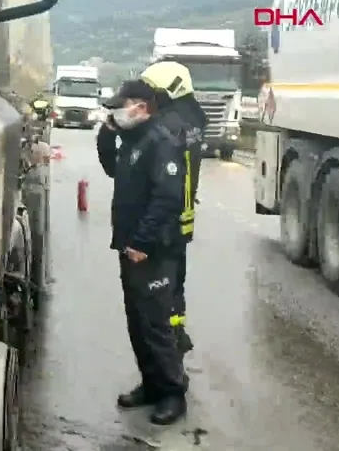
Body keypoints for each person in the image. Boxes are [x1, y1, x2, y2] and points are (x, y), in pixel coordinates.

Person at [96, 80, 188, 425]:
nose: (118, 112)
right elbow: (111, 168)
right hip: (130, 246)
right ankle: (151, 384)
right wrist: (107, 133)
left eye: (123, 106)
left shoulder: (160, 142)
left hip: (152, 250)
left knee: (155, 323)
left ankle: (172, 392)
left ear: (142, 107)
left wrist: (142, 243)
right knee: (137, 321)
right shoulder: (134, 140)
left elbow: (168, 198)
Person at [139, 61, 208, 357]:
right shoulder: (193, 119)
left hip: (163, 221)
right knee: (174, 281)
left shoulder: (167, 125)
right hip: (182, 219)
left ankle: (166, 354)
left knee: (156, 289)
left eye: (153, 92)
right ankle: (177, 332)